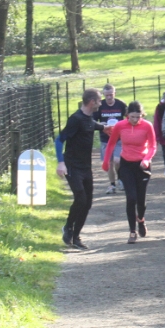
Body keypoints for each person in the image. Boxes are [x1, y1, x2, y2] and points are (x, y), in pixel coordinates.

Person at [56, 88, 109, 250]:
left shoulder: (89, 118)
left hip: (86, 167)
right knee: (80, 198)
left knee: (87, 203)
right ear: (92, 102)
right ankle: (68, 227)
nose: (101, 103)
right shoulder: (75, 119)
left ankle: (76, 237)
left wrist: (103, 128)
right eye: (99, 100)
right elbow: (59, 140)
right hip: (72, 165)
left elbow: (90, 125)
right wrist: (60, 162)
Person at [101, 101, 157, 244]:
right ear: (127, 115)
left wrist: (146, 159)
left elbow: (153, 146)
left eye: (138, 117)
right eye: (132, 117)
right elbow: (111, 143)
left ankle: (141, 219)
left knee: (141, 200)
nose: (135, 120)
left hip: (142, 166)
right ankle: (132, 231)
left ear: (142, 115)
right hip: (126, 164)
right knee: (131, 198)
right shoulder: (120, 126)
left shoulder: (147, 126)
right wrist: (106, 161)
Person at [94, 84, 127, 194]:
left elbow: (129, 117)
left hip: (119, 138)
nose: (109, 97)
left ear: (114, 94)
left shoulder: (121, 104)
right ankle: (112, 184)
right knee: (109, 163)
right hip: (105, 139)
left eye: (111, 95)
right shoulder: (100, 105)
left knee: (118, 161)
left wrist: (122, 125)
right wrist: (101, 125)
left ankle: (120, 179)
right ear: (103, 94)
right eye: (107, 95)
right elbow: (93, 121)